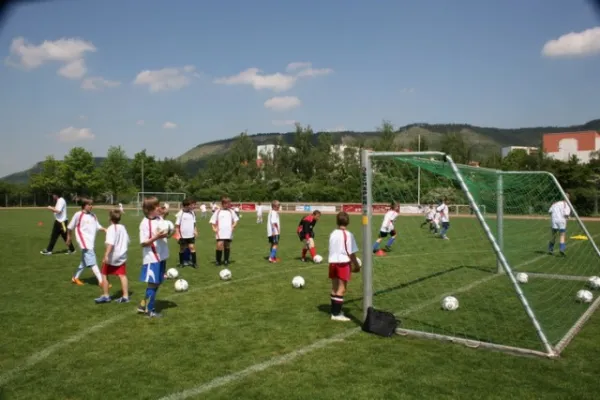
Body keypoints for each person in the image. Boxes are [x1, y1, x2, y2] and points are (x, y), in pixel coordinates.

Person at [138, 197, 169, 318]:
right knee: (153, 284)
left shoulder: (159, 218)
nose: (159, 207)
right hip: (152, 257)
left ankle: (143, 305)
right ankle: (149, 310)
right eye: (157, 206)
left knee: (157, 283)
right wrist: (156, 237)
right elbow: (143, 243)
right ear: (150, 210)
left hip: (161, 256)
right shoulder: (144, 223)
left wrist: (163, 209)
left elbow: (165, 212)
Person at [328, 211, 361, 322]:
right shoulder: (348, 234)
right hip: (343, 264)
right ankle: (336, 314)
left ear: (337, 221)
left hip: (332, 262)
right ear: (348, 222)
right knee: (341, 289)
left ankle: (334, 311)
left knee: (334, 288)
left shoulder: (333, 233)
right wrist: (356, 265)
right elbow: (351, 252)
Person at [67, 198, 107, 286]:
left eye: (92, 204)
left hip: (90, 242)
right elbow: (70, 227)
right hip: (84, 242)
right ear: (84, 205)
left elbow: (97, 226)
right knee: (92, 262)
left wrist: (104, 229)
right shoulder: (78, 215)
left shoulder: (93, 215)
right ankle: (101, 281)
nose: (91, 206)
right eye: (89, 204)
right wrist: (69, 237)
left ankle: (75, 278)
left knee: (84, 262)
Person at [95, 209, 130, 303]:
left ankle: (106, 296)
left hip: (113, 256)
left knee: (104, 274)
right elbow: (127, 240)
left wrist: (106, 255)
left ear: (110, 218)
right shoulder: (123, 227)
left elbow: (110, 244)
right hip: (122, 255)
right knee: (122, 275)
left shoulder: (111, 228)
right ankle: (126, 296)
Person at [209, 196, 239, 266]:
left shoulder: (231, 211)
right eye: (228, 203)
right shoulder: (218, 211)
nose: (229, 205)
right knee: (219, 245)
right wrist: (214, 228)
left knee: (227, 245)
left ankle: (226, 260)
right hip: (220, 232)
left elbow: (236, 220)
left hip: (228, 232)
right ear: (223, 203)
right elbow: (212, 221)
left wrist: (234, 225)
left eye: (229, 203)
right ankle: (218, 261)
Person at [175, 198, 198, 268]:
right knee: (182, 248)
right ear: (187, 205)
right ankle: (181, 263)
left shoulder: (193, 213)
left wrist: (195, 230)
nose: (194, 206)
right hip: (182, 236)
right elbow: (177, 226)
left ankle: (194, 263)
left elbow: (194, 223)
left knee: (192, 247)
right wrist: (177, 235)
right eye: (192, 205)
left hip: (190, 235)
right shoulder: (180, 214)